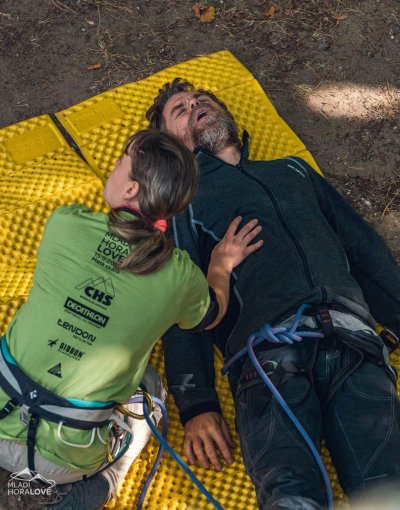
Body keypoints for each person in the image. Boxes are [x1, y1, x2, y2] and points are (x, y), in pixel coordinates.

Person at [146, 79, 400, 509]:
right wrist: (196, 402)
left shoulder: (292, 170)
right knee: (291, 499)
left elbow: (363, 248)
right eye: (181, 110)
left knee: (389, 491)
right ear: (171, 145)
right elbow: (182, 303)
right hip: (268, 359)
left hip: (353, 345)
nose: (196, 105)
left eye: (202, 100)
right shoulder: (181, 204)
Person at [0, 129, 262, 510]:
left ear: (131, 189)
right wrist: (220, 265)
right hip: (61, 460)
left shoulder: (64, 222)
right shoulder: (179, 277)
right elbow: (211, 315)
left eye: (120, 161)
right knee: (151, 389)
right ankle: (105, 477)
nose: (113, 165)